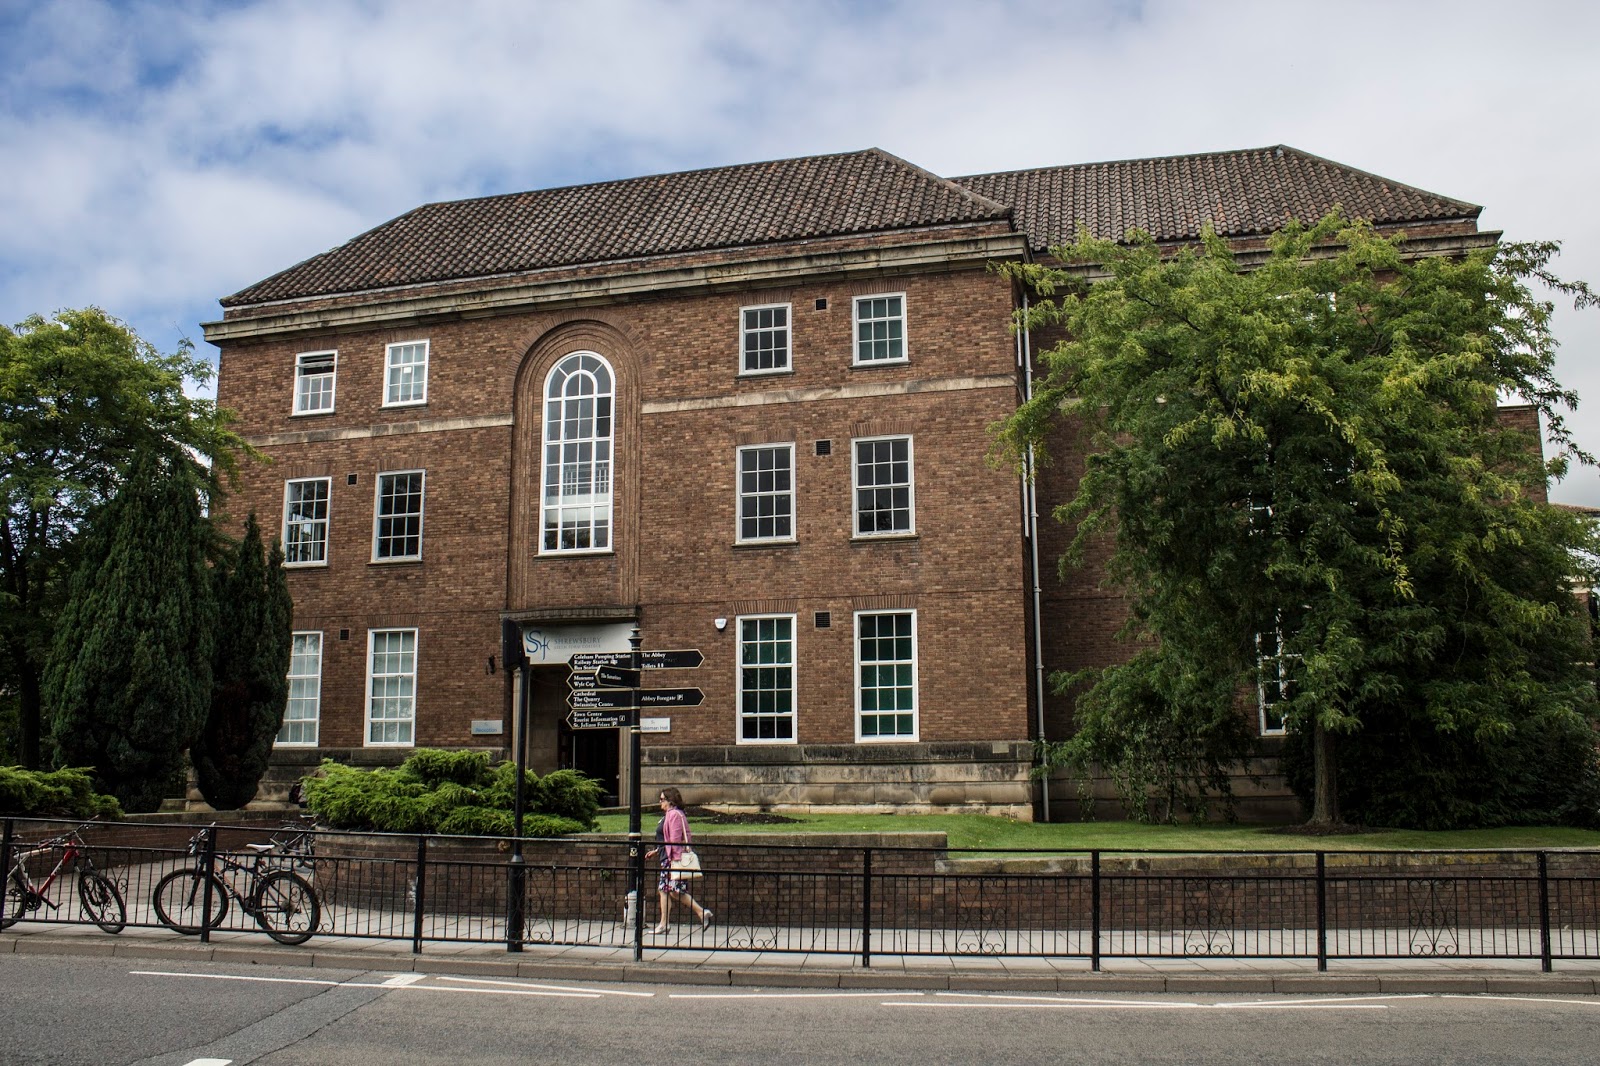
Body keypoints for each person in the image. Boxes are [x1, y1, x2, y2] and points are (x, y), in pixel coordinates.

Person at [644, 787, 711, 933]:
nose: (660, 802)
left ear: (670, 801)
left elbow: (674, 840)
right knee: (667, 890)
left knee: (672, 891)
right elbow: (667, 839)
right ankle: (665, 923)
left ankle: (700, 912)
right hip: (668, 857)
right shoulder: (670, 814)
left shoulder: (674, 814)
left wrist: (672, 860)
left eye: (662, 799)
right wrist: (657, 851)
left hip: (672, 859)